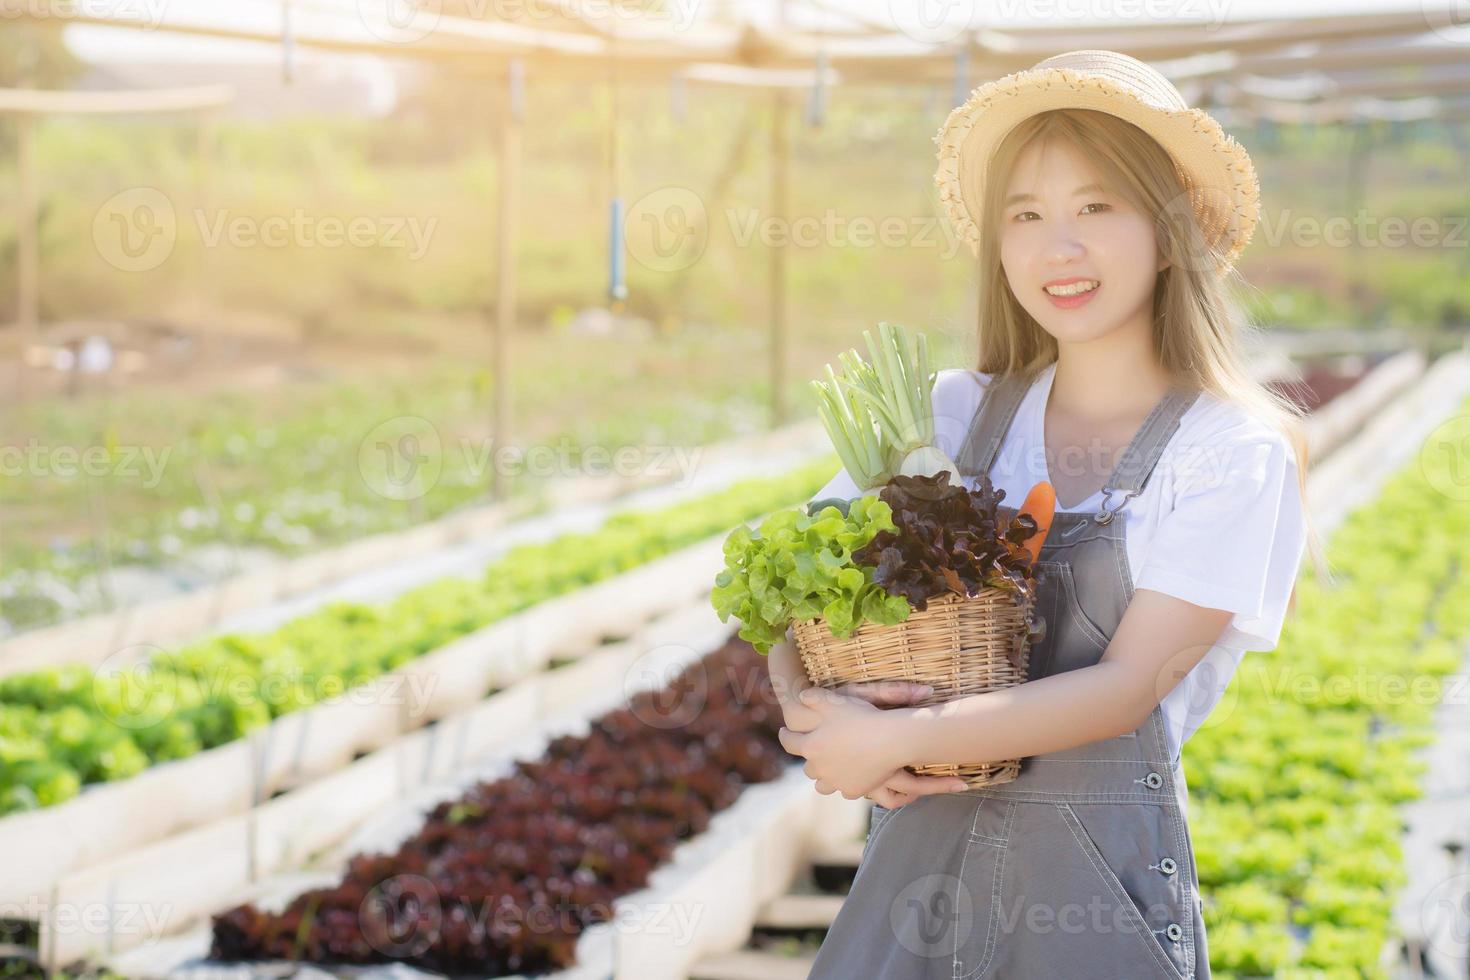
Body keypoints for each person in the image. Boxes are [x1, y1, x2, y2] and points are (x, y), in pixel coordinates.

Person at [769, 50, 1328, 979]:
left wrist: (899, 738)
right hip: (915, 894)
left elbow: (1127, 687)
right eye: (1025, 215)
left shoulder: (1229, 453)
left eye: (1096, 206)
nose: (1056, 249)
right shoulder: (952, 417)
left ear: (1171, 227)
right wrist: (814, 718)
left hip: (1093, 907)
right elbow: (794, 589)